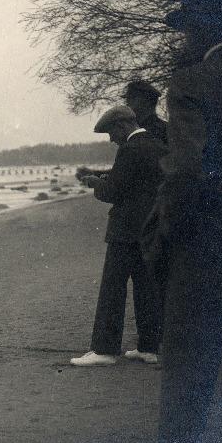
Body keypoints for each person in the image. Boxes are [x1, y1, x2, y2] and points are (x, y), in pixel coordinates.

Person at [145, 0, 222, 443]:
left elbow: (186, 171)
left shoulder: (190, 83)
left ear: (205, 25)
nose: (185, 38)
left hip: (210, 241)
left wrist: (164, 233)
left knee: (189, 370)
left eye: (188, 27)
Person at [70, 106, 166, 367]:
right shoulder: (156, 144)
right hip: (149, 228)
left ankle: (104, 349)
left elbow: (112, 192)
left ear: (123, 126)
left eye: (111, 133)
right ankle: (149, 347)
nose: (111, 139)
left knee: (112, 289)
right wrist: (106, 177)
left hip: (125, 231)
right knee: (147, 289)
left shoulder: (130, 149)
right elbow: (136, 181)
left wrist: (95, 183)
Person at [76, 80, 168, 181]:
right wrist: (95, 173)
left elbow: (132, 176)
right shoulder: (166, 128)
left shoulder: (142, 134)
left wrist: (96, 178)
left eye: (129, 101)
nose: (127, 106)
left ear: (143, 101)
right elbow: (129, 171)